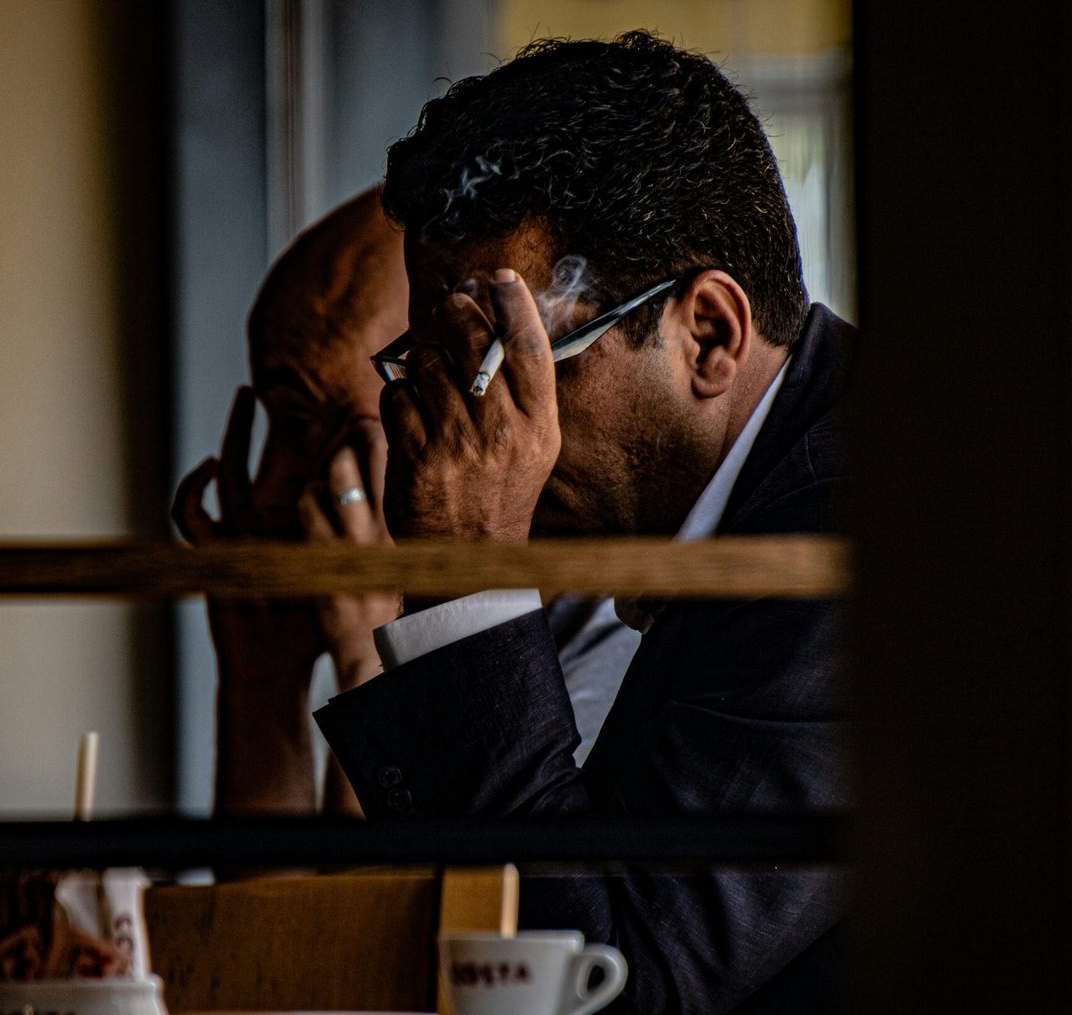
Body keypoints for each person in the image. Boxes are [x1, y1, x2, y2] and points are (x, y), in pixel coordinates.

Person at [311, 33, 853, 1013]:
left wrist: (469, 576)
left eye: (501, 361)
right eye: (431, 366)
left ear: (709, 334)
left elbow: (600, 992)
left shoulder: (837, 546)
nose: (452, 436)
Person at [172, 188, 639, 817]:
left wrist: (375, 654)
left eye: (307, 422)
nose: (271, 485)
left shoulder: (617, 632)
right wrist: (261, 686)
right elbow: (262, 916)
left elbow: (390, 911)